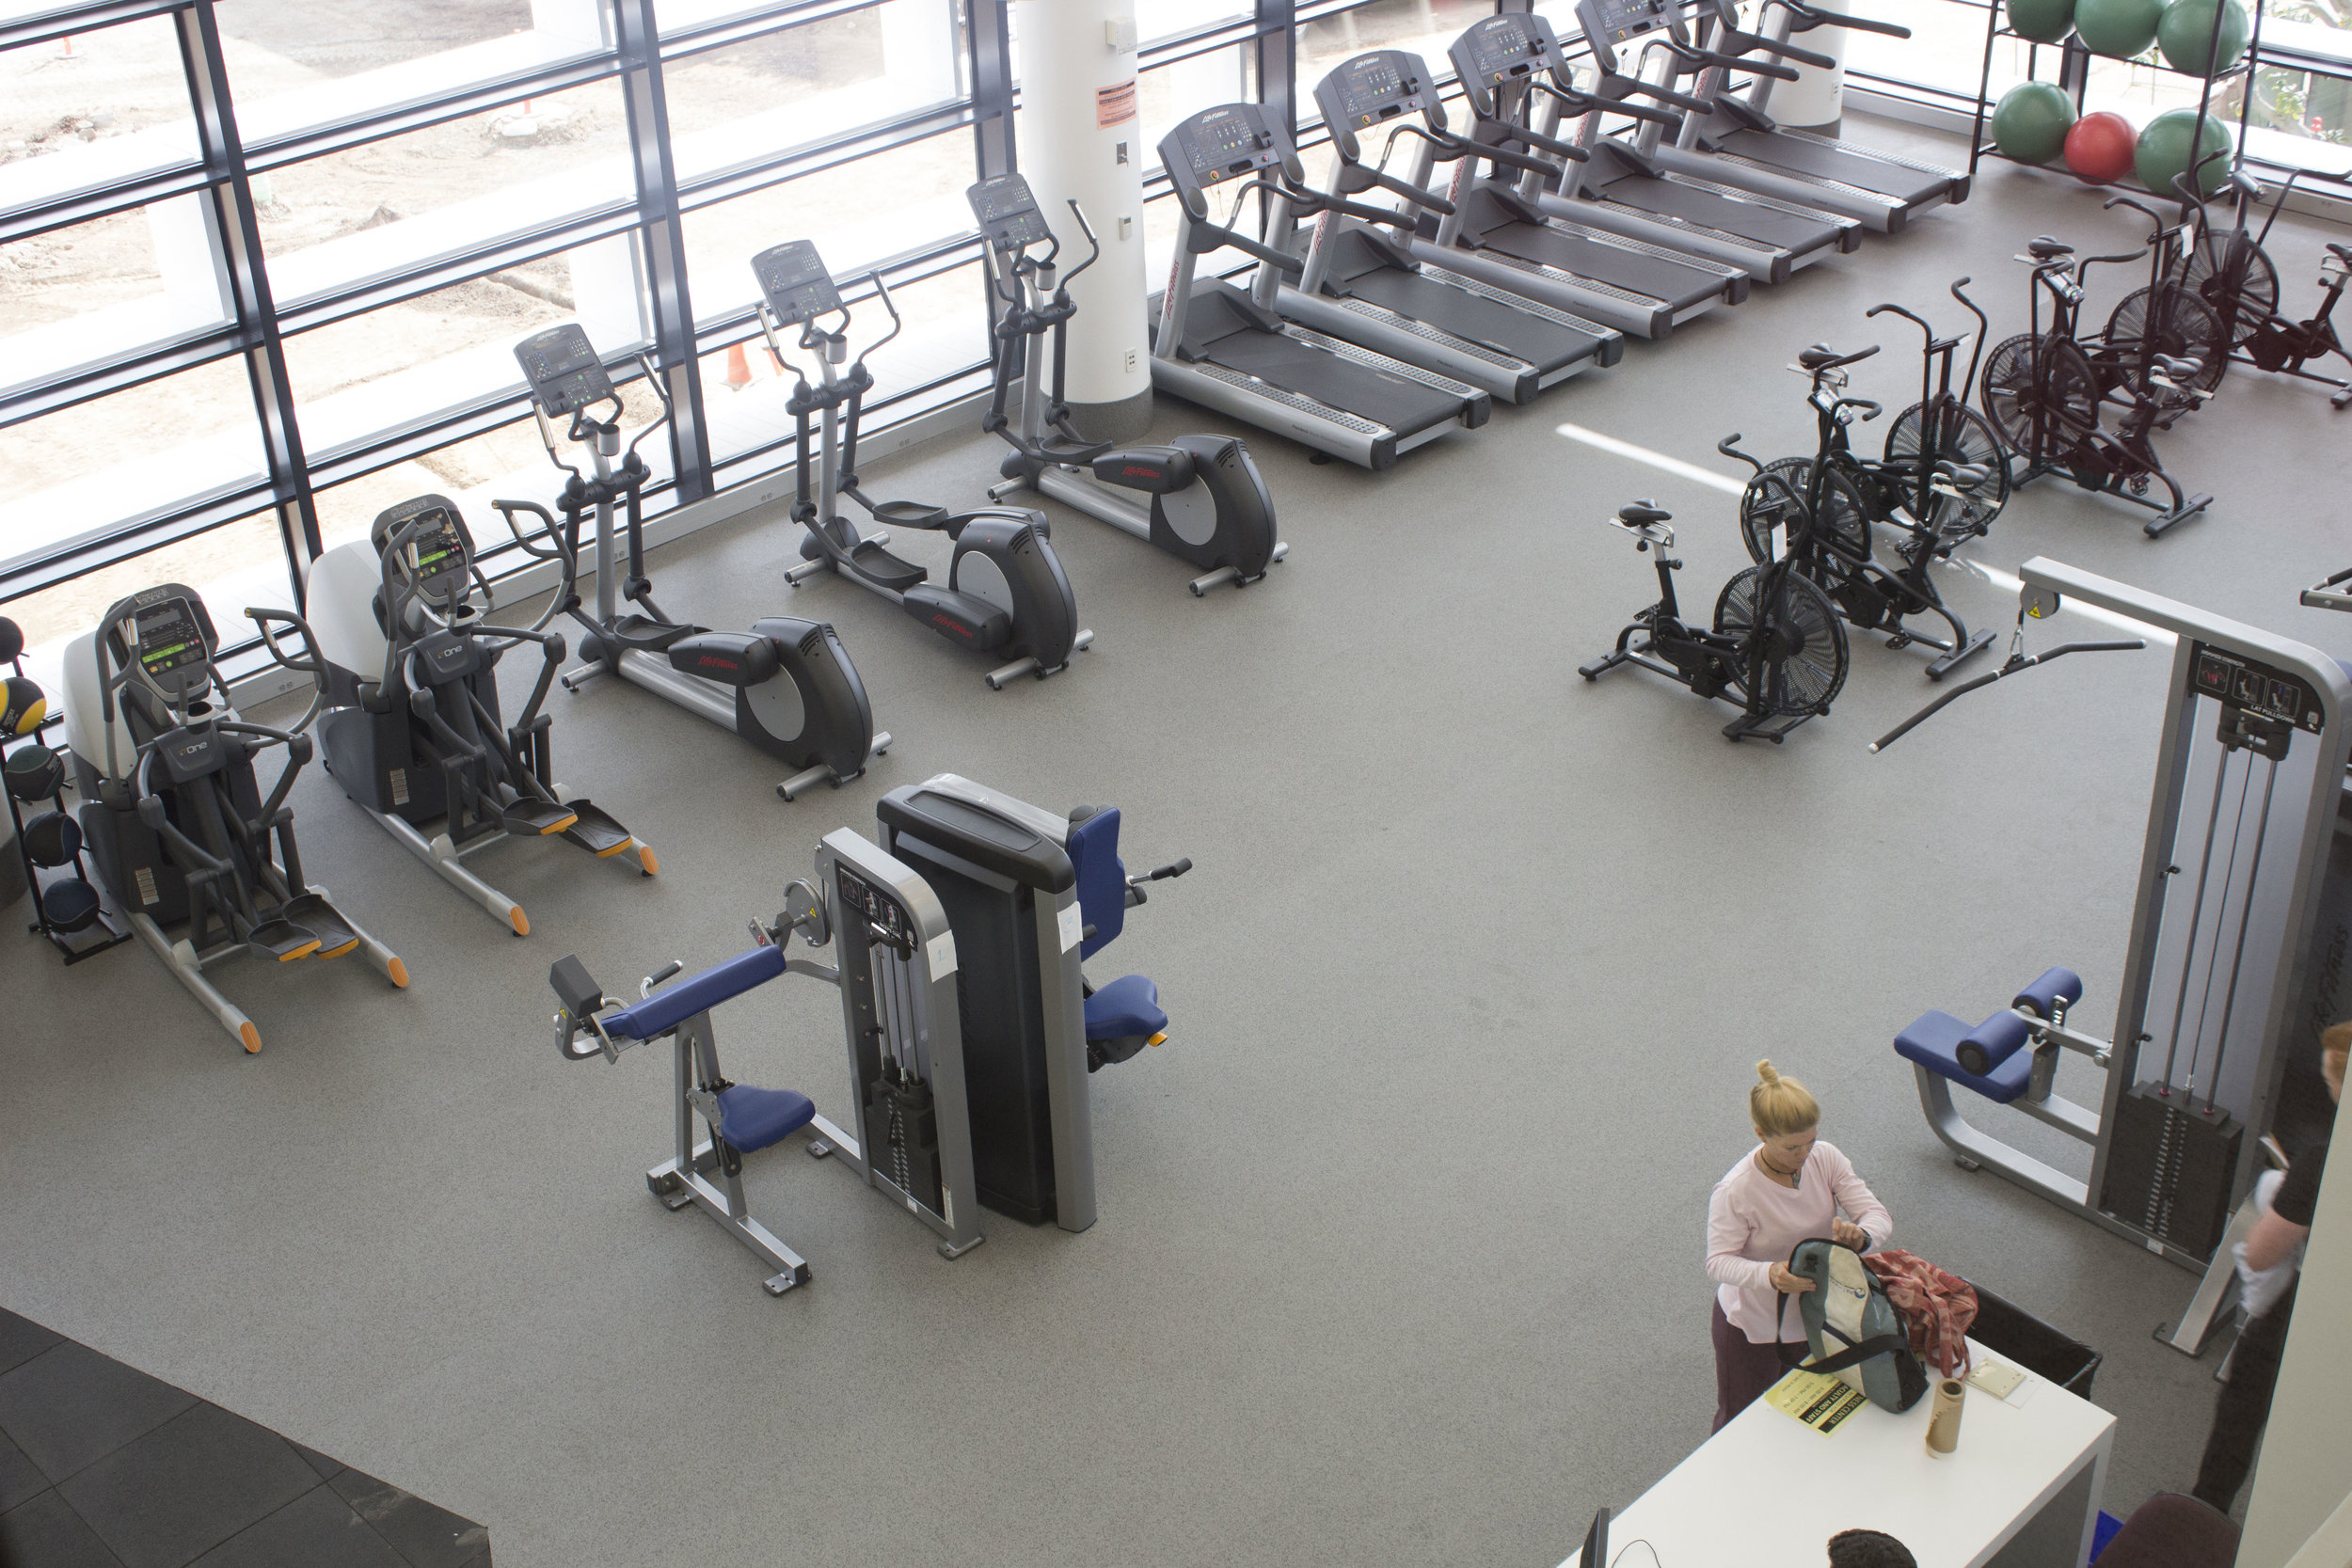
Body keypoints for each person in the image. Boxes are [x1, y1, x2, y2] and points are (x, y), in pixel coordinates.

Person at [2189, 1021, 2345, 1513]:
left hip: (2314, 1310)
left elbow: (2261, 1254)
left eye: (2330, 1083)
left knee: (2245, 1404)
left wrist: (2276, 1194)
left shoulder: (2325, 1162)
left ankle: (2205, 1512)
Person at [1706, 1060, 1895, 1432]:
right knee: (1739, 1421)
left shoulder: (1824, 1156)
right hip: (1754, 1326)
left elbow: (1876, 1215)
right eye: (1792, 1147)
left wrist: (1863, 1236)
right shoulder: (1736, 1191)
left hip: (1816, 1315)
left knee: (1801, 1413)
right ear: (1761, 1134)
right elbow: (1717, 1263)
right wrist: (1771, 1274)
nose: (1804, 1154)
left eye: (1810, 1140)